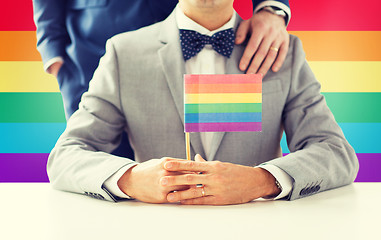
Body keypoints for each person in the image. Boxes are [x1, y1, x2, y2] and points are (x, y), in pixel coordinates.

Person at [47, 0, 359, 205]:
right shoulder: (123, 53)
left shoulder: (283, 52)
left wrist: (261, 181)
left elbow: (336, 153)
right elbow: (66, 157)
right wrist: (130, 179)